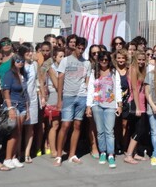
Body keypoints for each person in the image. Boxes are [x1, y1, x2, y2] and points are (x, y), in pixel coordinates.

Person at [55, 37, 90, 165]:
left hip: (82, 97)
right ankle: (59, 155)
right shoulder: (65, 61)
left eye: (82, 48)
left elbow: (87, 81)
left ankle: (72, 154)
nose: (80, 50)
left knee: (77, 125)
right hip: (68, 96)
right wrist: (59, 99)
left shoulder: (87, 63)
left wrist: (87, 101)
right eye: (78, 47)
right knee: (65, 125)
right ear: (74, 47)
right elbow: (60, 80)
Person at [86, 51, 123, 168]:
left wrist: (119, 104)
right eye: (102, 59)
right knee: (100, 131)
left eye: (106, 60)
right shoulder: (94, 72)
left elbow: (118, 88)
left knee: (109, 131)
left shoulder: (113, 72)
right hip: (96, 104)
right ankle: (102, 152)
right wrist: (88, 106)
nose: (104, 62)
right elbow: (90, 89)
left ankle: (110, 154)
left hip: (110, 105)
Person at [1, 53, 29, 169]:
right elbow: (5, 91)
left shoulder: (23, 74)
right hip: (13, 104)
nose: (20, 63)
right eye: (18, 61)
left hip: (22, 105)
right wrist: (10, 108)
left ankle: (13, 157)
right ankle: (7, 158)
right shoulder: (9, 74)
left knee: (18, 132)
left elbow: (25, 92)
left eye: (22, 61)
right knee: (13, 132)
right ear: (13, 62)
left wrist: (27, 109)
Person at [125, 51, 151, 163]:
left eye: (143, 59)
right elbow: (134, 89)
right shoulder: (133, 69)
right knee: (140, 129)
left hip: (141, 101)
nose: (141, 61)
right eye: (139, 59)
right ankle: (129, 155)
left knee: (137, 129)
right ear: (135, 59)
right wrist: (138, 107)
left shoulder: (141, 70)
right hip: (136, 102)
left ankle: (134, 153)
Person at [42, 47, 65, 159]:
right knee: (54, 125)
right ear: (55, 57)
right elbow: (57, 85)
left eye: (64, 56)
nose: (63, 58)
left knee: (63, 124)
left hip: (65, 97)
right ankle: (53, 149)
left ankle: (60, 147)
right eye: (60, 56)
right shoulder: (51, 68)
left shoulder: (66, 67)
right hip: (55, 97)